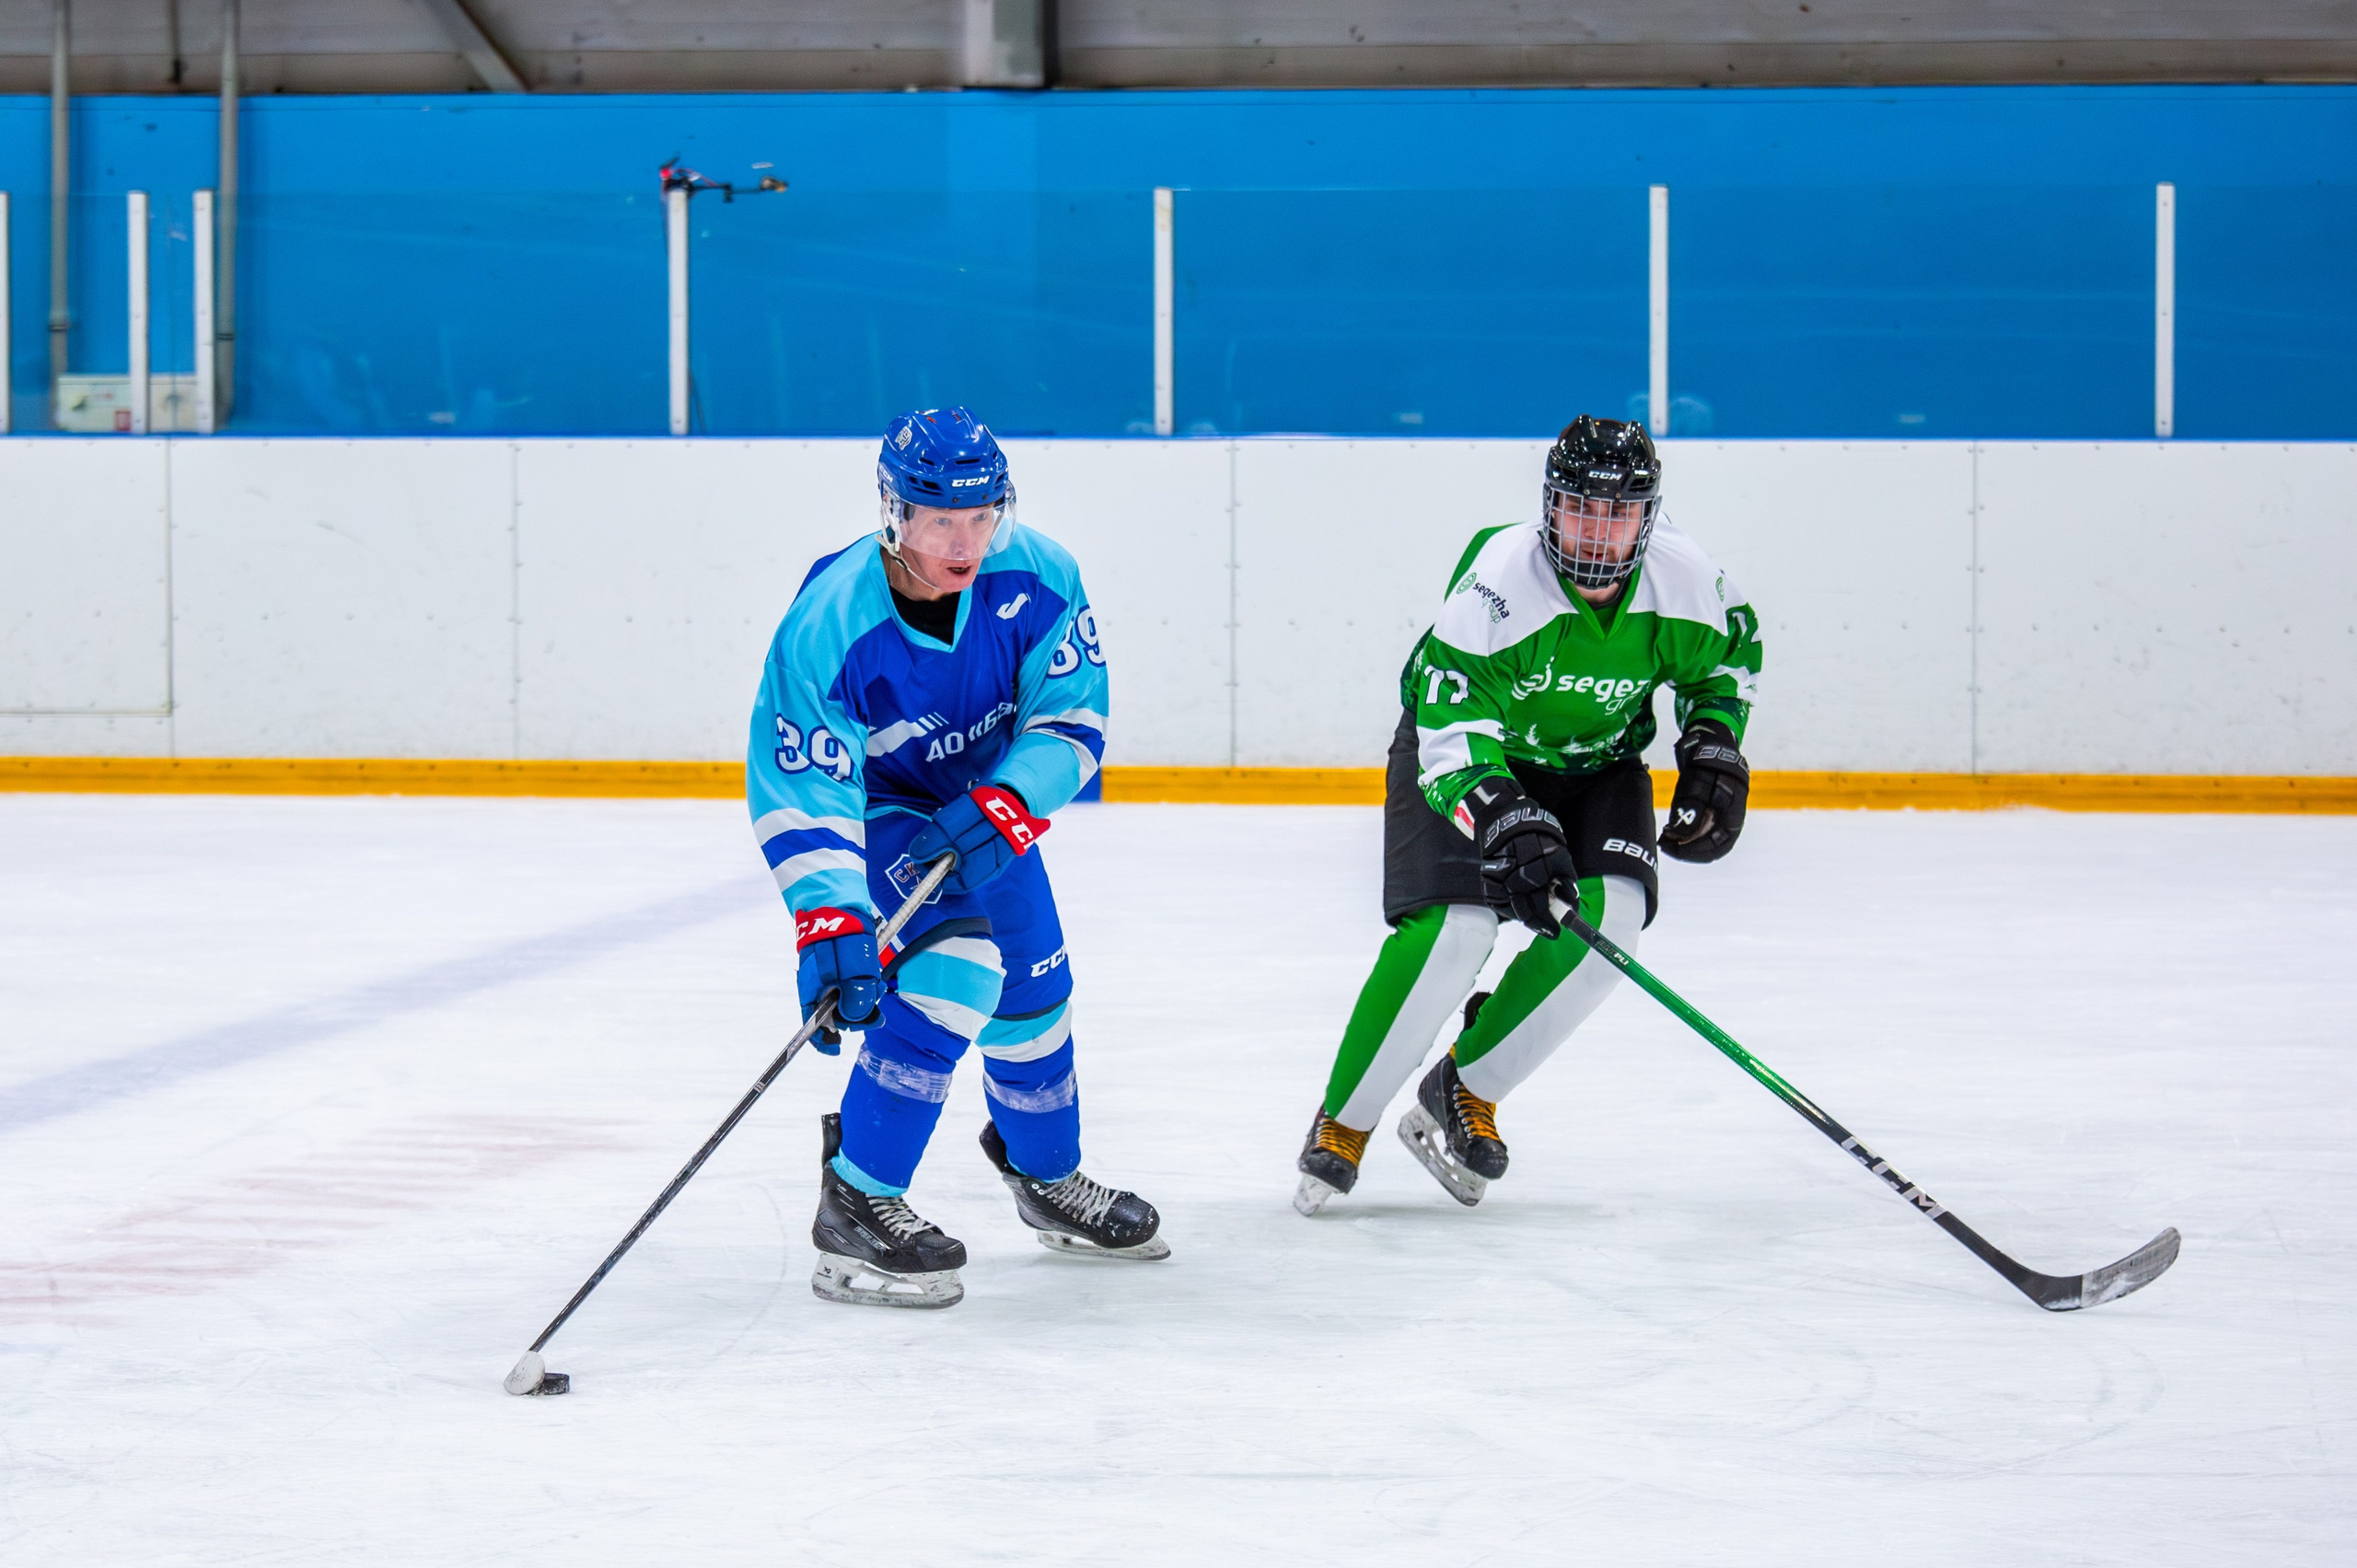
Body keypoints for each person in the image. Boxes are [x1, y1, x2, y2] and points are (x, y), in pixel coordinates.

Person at [749, 406, 1167, 1310]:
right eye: (942, 521)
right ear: (895, 515)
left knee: (1035, 996)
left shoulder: (1042, 574)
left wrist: (1012, 799)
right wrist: (828, 916)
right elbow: (800, 785)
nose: (965, 540)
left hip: (988, 803)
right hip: (888, 812)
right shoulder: (829, 618)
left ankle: (1045, 1176)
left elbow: (1070, 717)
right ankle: (857, 1198)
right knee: (957, 975)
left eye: (982, 517)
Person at [1294, 415, 1763, 1214]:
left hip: (1599, 762)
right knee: (1457, 929)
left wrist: (1716, 743)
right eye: (1581, 508)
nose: (1596, 532)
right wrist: (1505, 815)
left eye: (1617, 514)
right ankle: (1346, 1120)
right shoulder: (1498, 584)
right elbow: (1449, 731)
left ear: (1648, 517)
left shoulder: (1686, 580)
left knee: (1612, 924)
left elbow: (1729, 659)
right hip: (1476, 756)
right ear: (1549, 504)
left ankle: (1465, 1085)